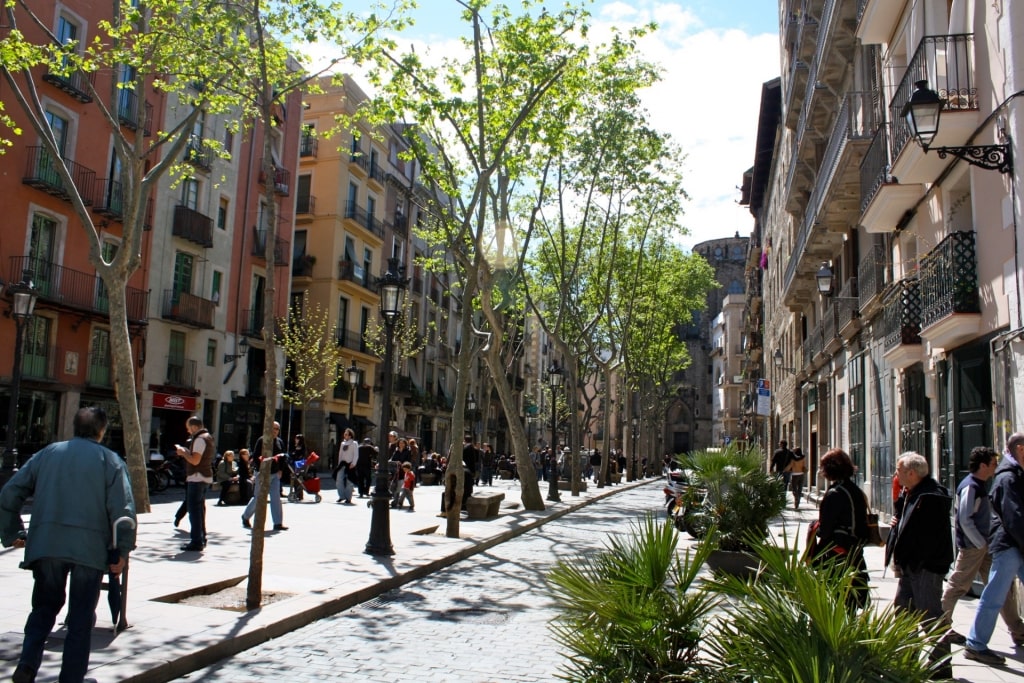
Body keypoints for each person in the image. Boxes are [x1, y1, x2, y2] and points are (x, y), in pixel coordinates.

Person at [0, 406, 136, 683]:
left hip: (47, 544)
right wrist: (122, 551)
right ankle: (71, 677)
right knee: (81, 616)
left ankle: (27, 664)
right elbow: (123, 511)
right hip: (90, 548)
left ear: (74, 427)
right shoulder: (110, 460)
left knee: (44, 607)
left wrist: (12, 530)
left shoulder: (47, 454)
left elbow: (10, 492)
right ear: (102, 431)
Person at [940, 446, 1024, 646]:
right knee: (958, 585)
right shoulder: (971, 486)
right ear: (983, 465)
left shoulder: (982, 485)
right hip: (973, 548)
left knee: (1000, 588)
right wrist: (979, 543)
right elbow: (964, 519)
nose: (996, 467)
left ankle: (1017, 629)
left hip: (986, 546)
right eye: (993, 464)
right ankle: (940, 626)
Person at [885, 451, 954, 675]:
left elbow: (929, 535)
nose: (896, 475)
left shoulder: (931, 497)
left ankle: (941, 667)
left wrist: (918, 561)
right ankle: (906, 660)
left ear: (911, 473)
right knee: (902, 612)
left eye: (899, 471)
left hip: (924, 567)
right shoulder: (911, 493)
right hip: (909, 567)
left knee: (930, 616)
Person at [965, 433, 1024, 666]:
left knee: (994, 595)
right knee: (994, 596)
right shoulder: (1008, 478)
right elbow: (1014, 517)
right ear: (1020, 449)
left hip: (1015, 544)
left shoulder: (1014, 475)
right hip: (1009, 545)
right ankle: (976, 643)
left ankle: (975, 643)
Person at [813, 448, 870, 610]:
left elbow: (825, 530)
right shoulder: (856, 491)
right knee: (850, 603)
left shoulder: (834, 493)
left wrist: (816, 529)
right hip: (855, 553)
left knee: (835, 602)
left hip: (836, 556)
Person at [176, 415, 215, 552]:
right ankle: (201, 538)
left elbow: (195, 461)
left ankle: (197, 541)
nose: (188, 431)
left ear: (194, 427)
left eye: (188, 428)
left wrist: (183, 453)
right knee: (199, 510)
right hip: (203, 477)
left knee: (194, 511)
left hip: (197, 478)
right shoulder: (207, 437)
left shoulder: (199, 439)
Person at [242, 422, 288, 531]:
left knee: (276, 498)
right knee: (258, 497)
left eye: (277, 429)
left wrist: (280, 470)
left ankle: (278, 523)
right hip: (262, 474)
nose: (275, 430)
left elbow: (283, 457)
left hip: (275, 474)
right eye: (273, 428)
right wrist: (261, 471)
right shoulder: (262, 440)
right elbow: (256, 456)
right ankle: (245, 516)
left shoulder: (280, 442)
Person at [333, 428, 358, 505]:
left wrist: (353, 463)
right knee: (338, 480)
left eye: (346, 434)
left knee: (349, 482)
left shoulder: (354, 443)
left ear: (350, 436)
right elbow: (340, 454)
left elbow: (356, 454)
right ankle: (341, 496)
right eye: (344, 434)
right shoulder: (342, 443)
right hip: (342, 464)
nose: (345, 435)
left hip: (350, 464)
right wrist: (339, 463)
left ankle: (348, 498)